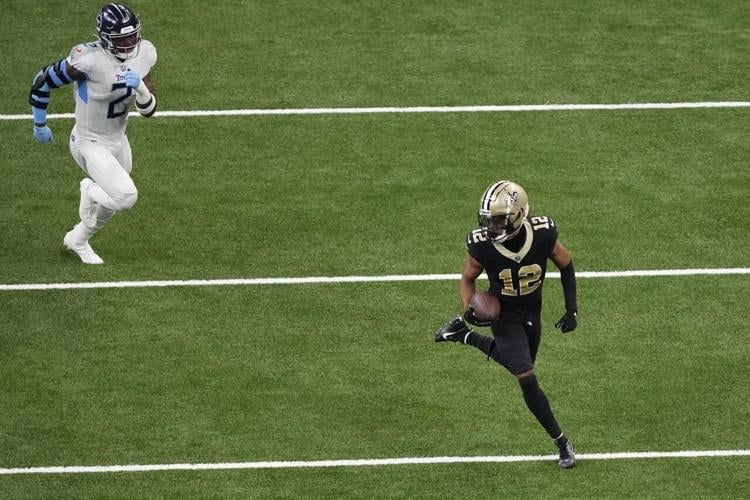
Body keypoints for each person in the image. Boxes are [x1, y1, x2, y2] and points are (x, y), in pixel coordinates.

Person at [434, 180, 579, 469]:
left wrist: (571, 309)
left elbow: (566, 264)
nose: (492, 227)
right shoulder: (482, 246)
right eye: (489, 221)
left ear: (518, 215)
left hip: (531, 313)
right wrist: (469, 307)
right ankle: (562, 443)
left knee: (521, 365)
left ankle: (462, 335)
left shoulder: (543, 235)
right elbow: (467, 279)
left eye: (499, 221)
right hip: (502, 316)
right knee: (526, 377)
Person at [29, 3, 158, 264]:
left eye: (133, 35)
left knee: (113, 198)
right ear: (106, 39)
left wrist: (143, 91)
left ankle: (77, 239)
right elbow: (42, 80)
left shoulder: (144, 53)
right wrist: (39, 123)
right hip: (88, 141)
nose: (130, 43)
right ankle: (88, 189)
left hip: (118, 140)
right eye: (122, 39)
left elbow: (148, 112)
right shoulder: (87, 61)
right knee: (125, 196)